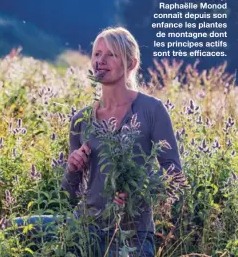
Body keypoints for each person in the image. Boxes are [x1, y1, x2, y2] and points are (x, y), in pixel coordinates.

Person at [61, 26, 182, 256]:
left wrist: (140, 188)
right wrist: (72, 168)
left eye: (111, 54)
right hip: (84, 228)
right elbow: (68, 195)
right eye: (97, 54)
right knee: (16, 230)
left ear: (132, 63)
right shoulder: (81, 120)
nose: (100, 61)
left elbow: (174, 174)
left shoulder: (152, 110)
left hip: (133, 235)